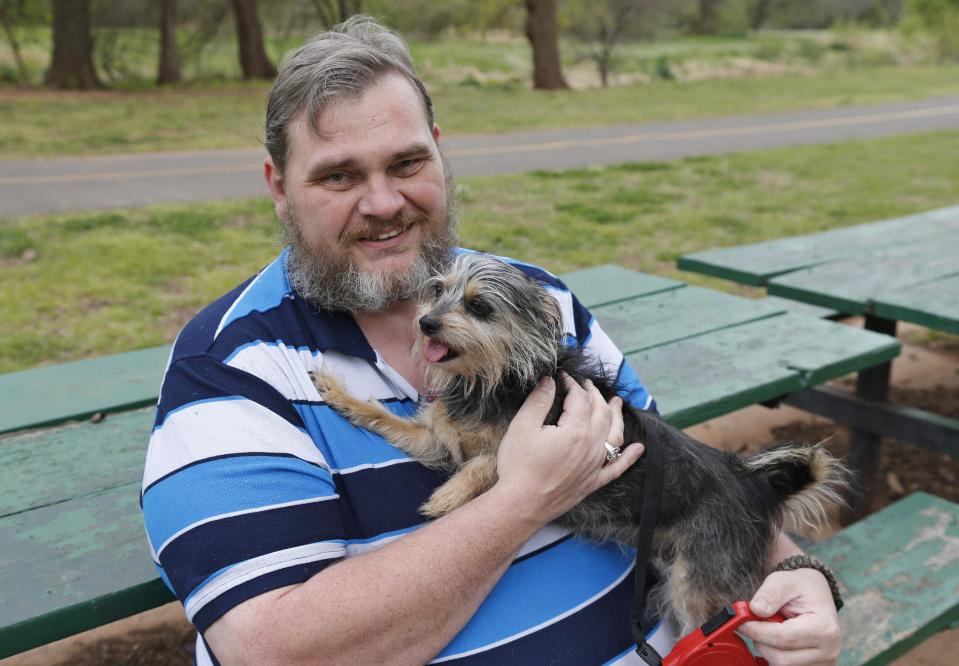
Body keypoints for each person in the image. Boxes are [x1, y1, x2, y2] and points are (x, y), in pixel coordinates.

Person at [141, 16, 840, 666]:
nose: (384, 202)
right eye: (339, 175)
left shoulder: (537, 301)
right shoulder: (232, 371)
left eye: (407, 163)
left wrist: (789, 567)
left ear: (440, 156)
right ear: (278, 187)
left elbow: (675, 473)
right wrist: (520, 497)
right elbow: (270, 650)